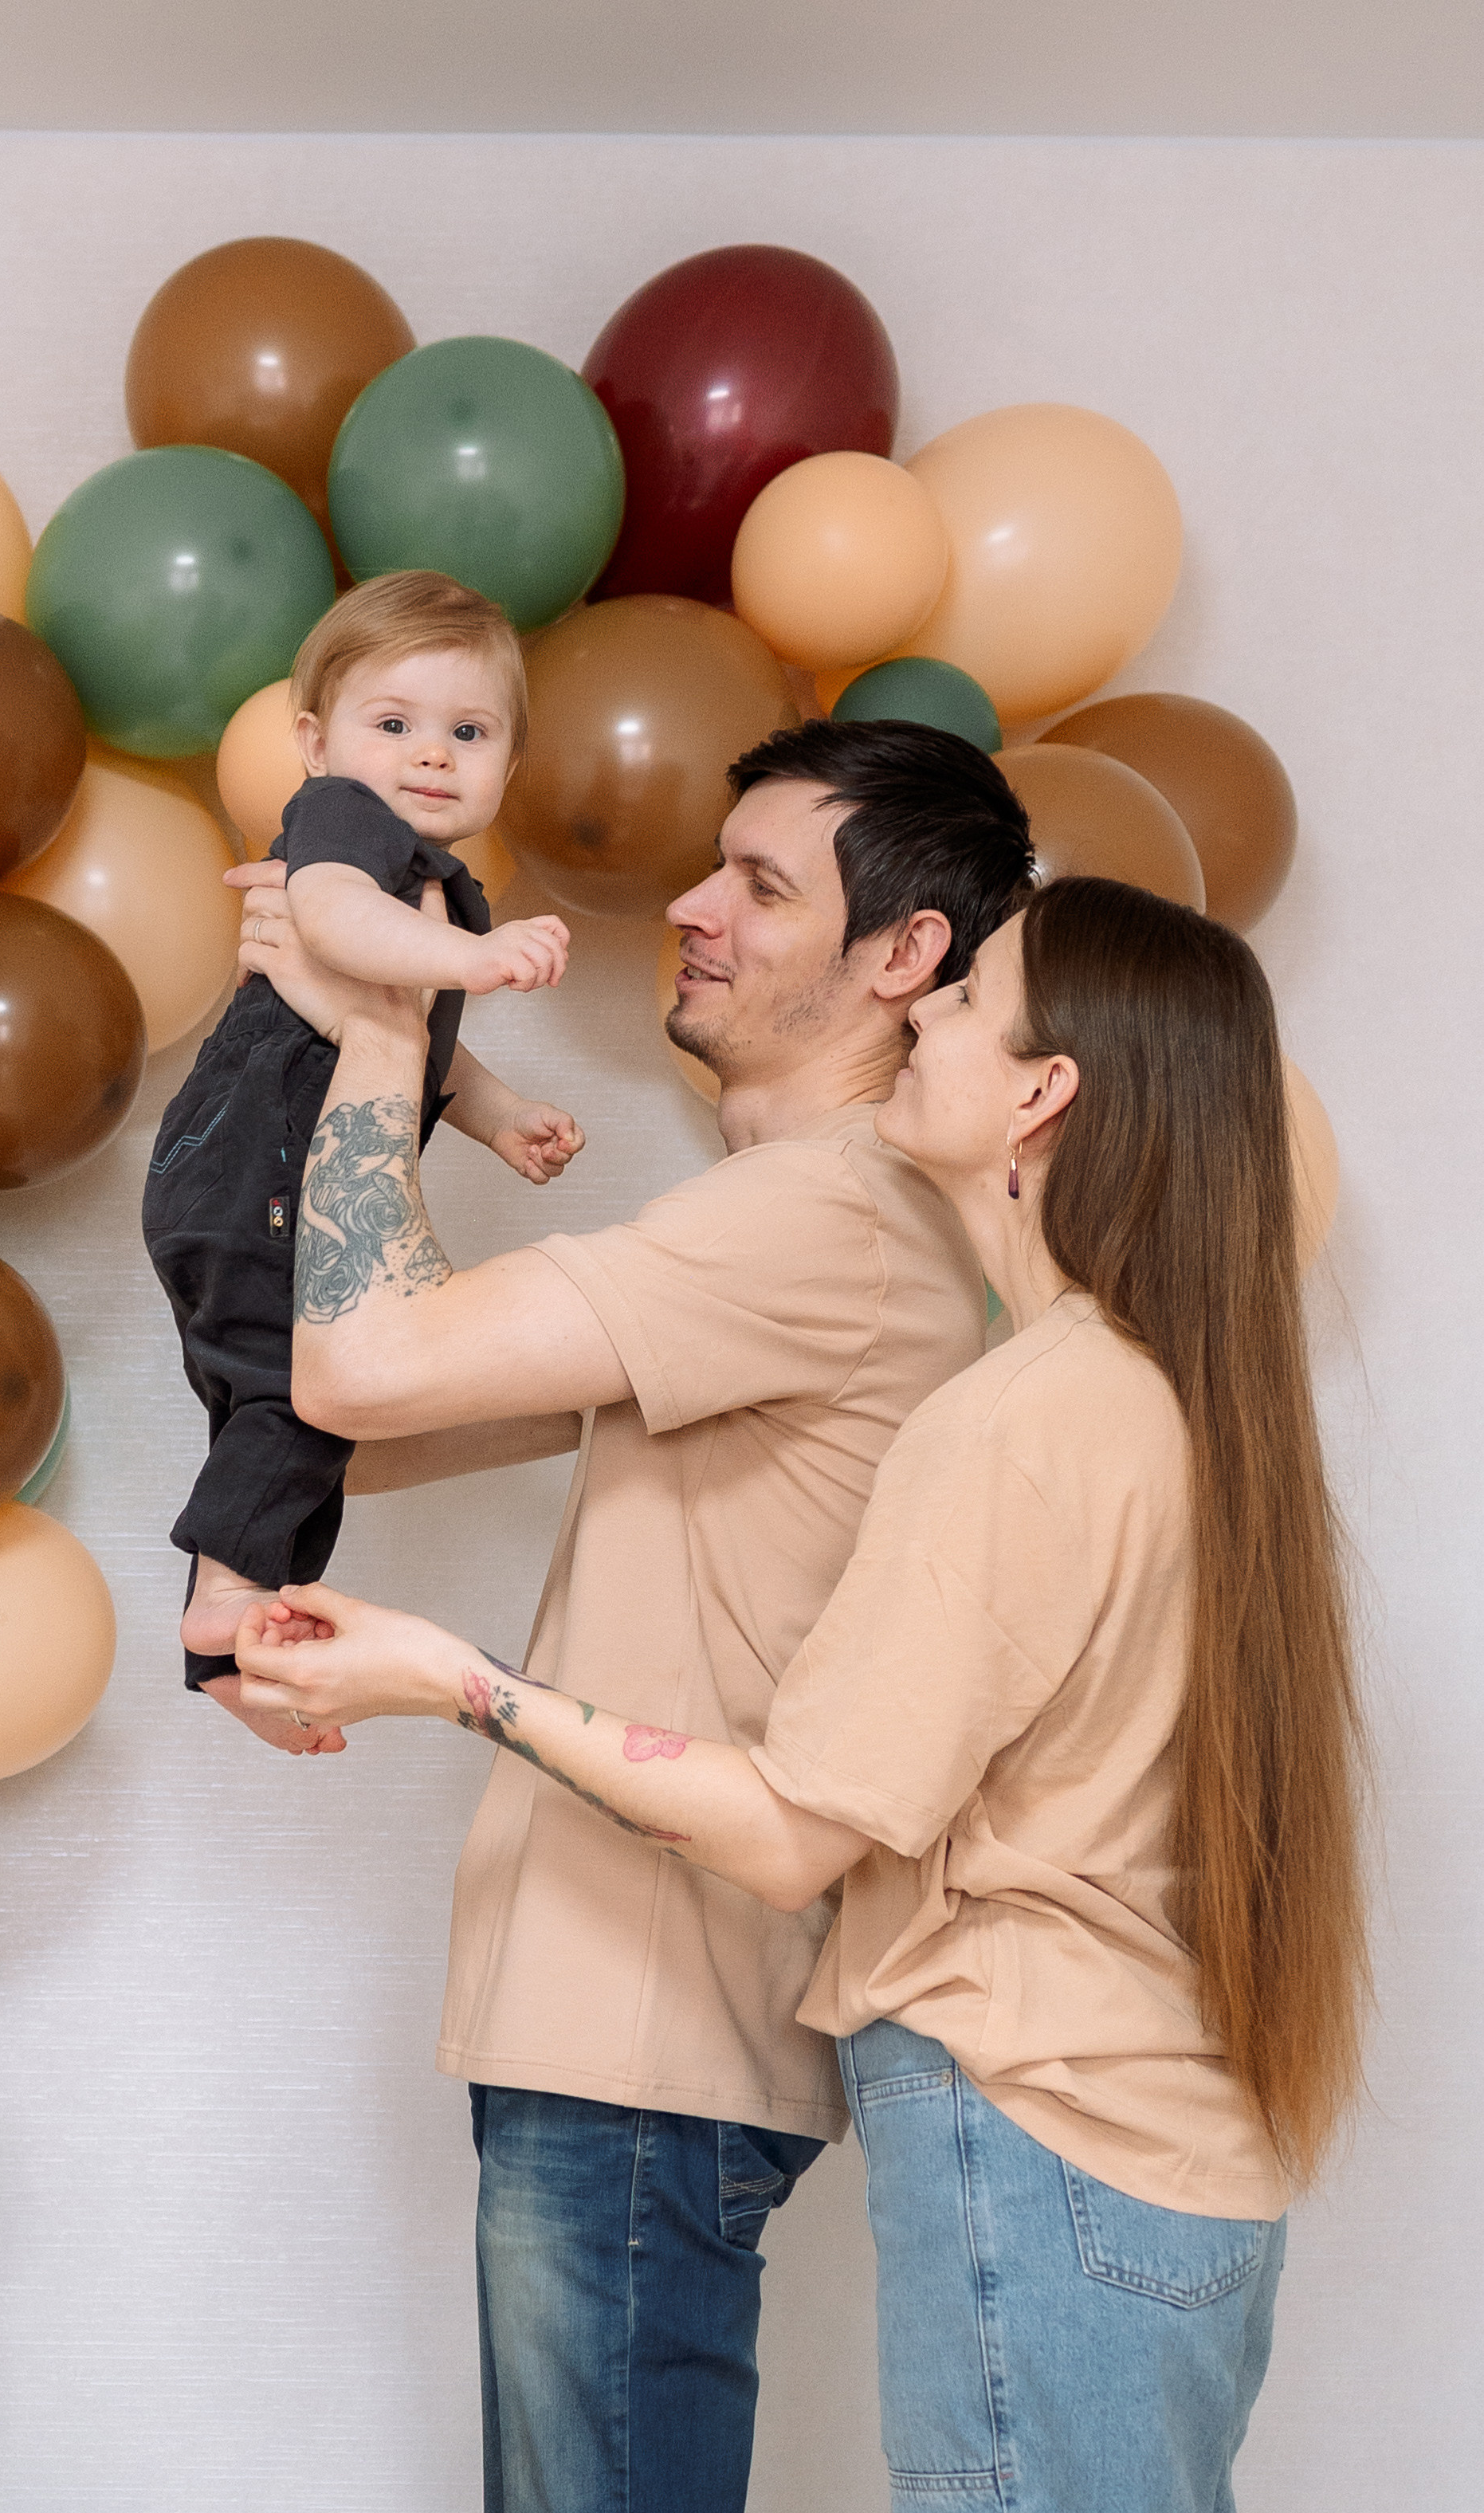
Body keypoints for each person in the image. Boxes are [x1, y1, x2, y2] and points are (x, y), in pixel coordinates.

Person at [235, 875, 1368, 2513]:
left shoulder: (1017, 1423)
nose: (918, 1011)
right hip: (1165, 2162)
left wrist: (448, 1675)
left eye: (967, 1000)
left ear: (1041, 1094)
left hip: (1043, 2144)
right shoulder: (1159, 1396)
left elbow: (789, 1831)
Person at [228, 719, 1037, 2513]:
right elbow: (388, 1411)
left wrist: (375, 1005)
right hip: (628, 2028)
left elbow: (359, 1366)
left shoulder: (822, 1212)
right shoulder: (802, 1224)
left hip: (646, 2032)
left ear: (900, 955)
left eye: (758, 881)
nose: (688, 905)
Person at [141, 571, 583, 1721]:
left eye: (468, 732)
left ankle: (232, 1650)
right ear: (317, 740)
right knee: (305, 1393)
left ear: (507, 764)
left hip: (251, 1171)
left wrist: (498, 1116)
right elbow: (331, 917)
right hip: (248, 1162)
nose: (431, 755)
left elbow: (421, 1045)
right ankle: (228, 1594)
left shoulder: (436, 890)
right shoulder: (349, 824)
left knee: (275, 1407)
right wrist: (475, 960)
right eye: (394, 724)